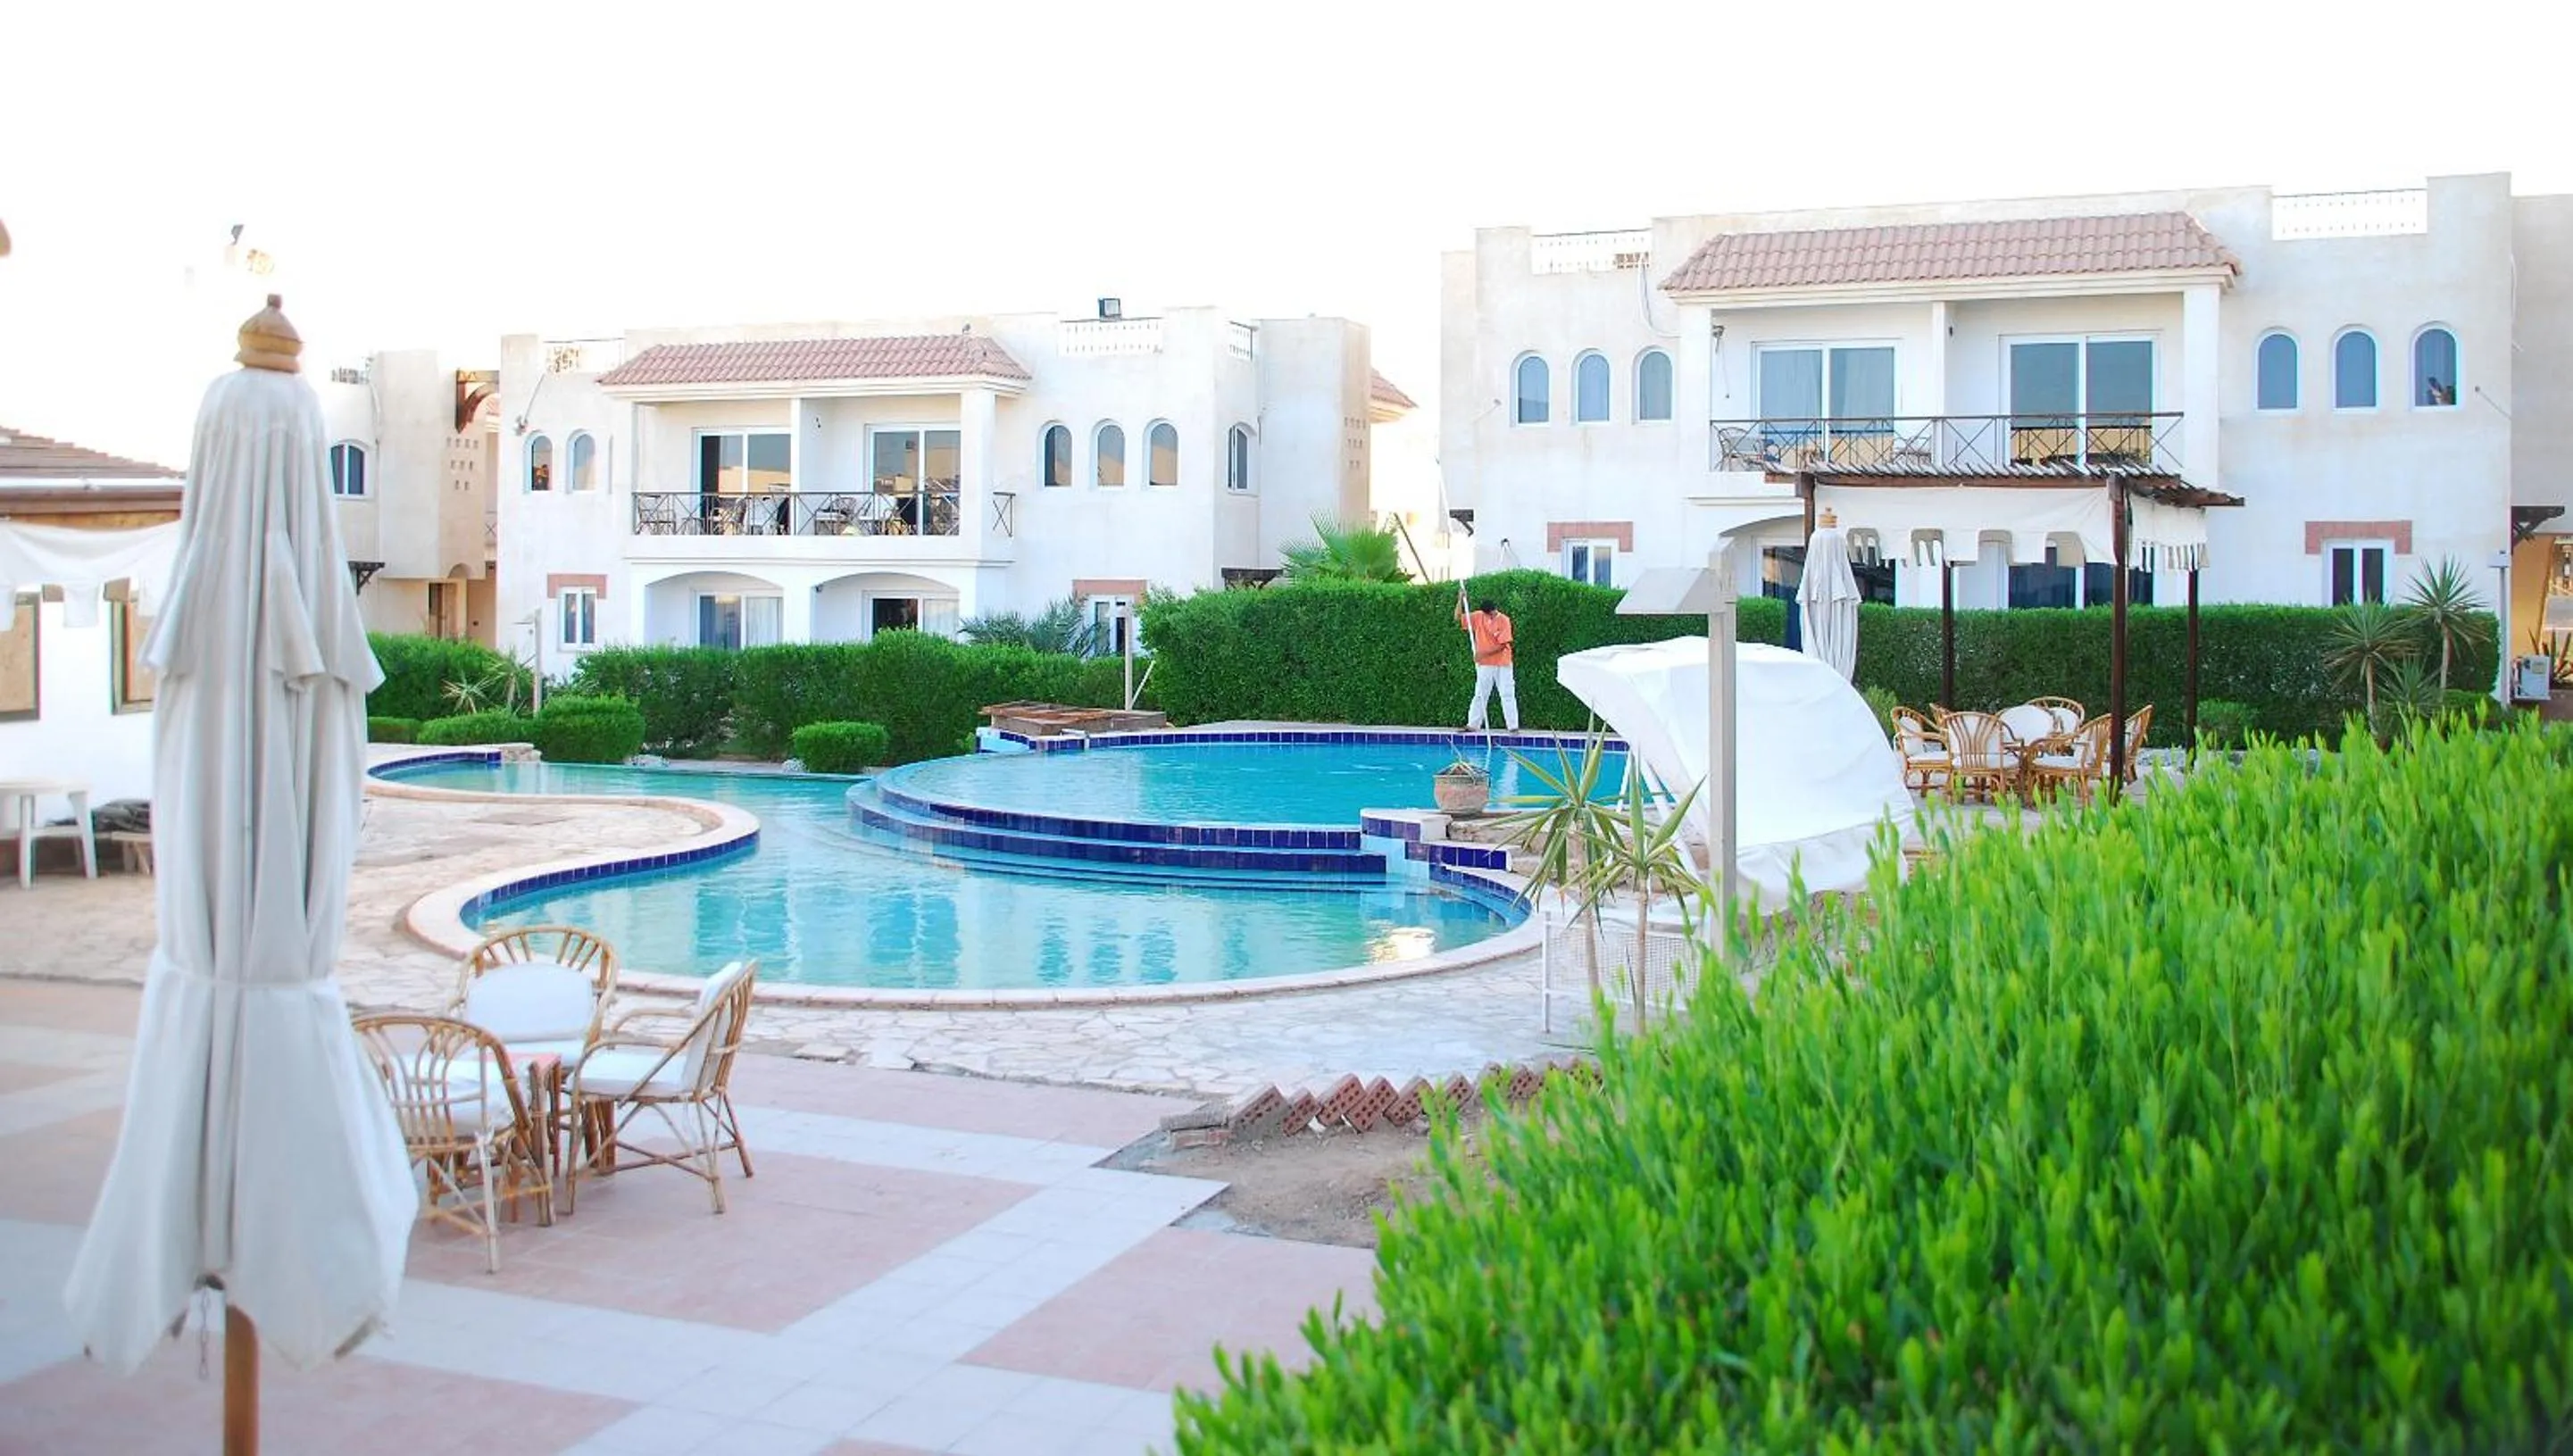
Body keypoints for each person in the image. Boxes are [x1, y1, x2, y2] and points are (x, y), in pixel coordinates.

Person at [1456, 588, 1519, 732]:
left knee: (1507, 694)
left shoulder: (1504, 620)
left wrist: (1482, 654)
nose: (1492, 615)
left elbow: (1503, 645)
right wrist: (1460, 599)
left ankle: (1513, 727)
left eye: (1493, 613)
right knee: (1480, 694)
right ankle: (1473, 725)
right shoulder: (1478, 617)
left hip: (1503, 663)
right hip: (1485, 665)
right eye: (1489, 614)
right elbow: (1458, 617)